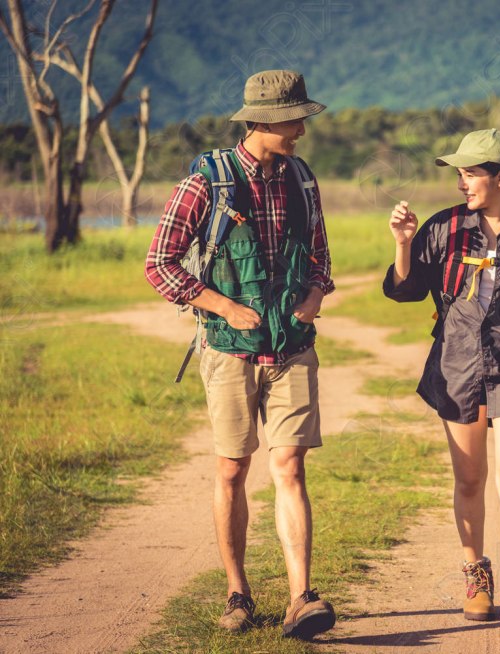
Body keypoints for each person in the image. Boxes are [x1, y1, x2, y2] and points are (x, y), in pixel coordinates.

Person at [144, 70, 336, 639]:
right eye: (293, 119)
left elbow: (320, 257)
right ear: (262, 122)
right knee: (232, 469)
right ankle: (238, 594)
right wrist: (222, 307)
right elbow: (160, 264)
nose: (301, 129)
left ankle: (302, 597)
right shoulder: (206, 183)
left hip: (292, 348)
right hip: (228, 349)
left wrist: (314, 296)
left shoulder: (302, 179)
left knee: (291, 466)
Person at [383, 128, 500, 638]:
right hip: (457, 364)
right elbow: (406, 290)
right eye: (460, 174)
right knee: (469, 479)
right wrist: (403, 244)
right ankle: (476, 576)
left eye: (470, 173)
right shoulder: (443, 228)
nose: (462, 183)